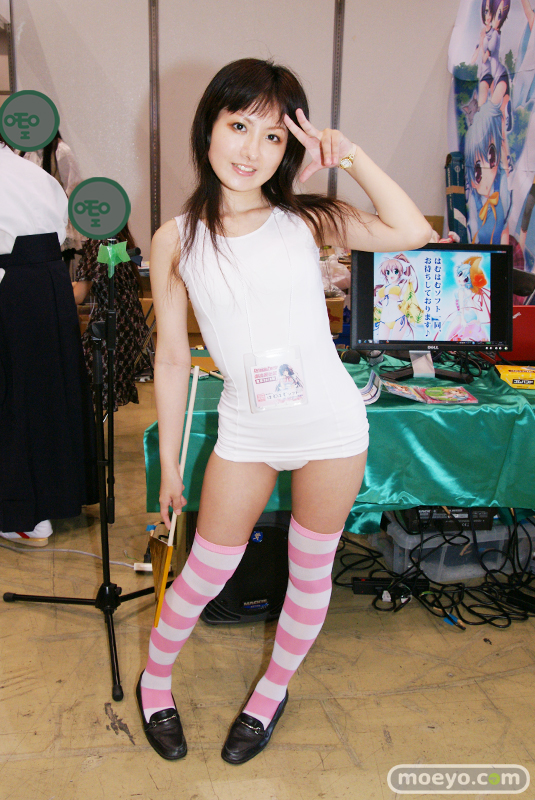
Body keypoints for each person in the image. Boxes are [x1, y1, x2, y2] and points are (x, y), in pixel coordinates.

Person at [137, 58, 433, 764]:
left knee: (309, 570)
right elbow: (172, 359)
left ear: (289, 150)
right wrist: (172, 463)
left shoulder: (306, 219)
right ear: (207, 128)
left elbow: (409, 231)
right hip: (246, 429)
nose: (251, 150)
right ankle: (155, 682)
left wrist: (350, 156)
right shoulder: (176, 238)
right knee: (204, 572)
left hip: (331, 427)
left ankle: (270, 694)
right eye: (239, 126)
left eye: (273, 136)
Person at [0, 138, 97, 546]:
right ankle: (56, 497)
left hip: (13, 286)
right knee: (51, 390)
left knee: (15, 397)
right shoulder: (33, 174)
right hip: (48, 283)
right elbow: (61, 229)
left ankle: (23, 514)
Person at [72, 223, 151, 410]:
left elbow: (78, 296)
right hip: (130, 327)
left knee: (72, 369)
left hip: (112, 328)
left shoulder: (99, 244)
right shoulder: (119, 240)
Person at [19, 131, 85, 258]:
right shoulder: (22, 151)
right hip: (26, 224)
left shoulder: (61, 151)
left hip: (53, 225)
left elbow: (74, 190)